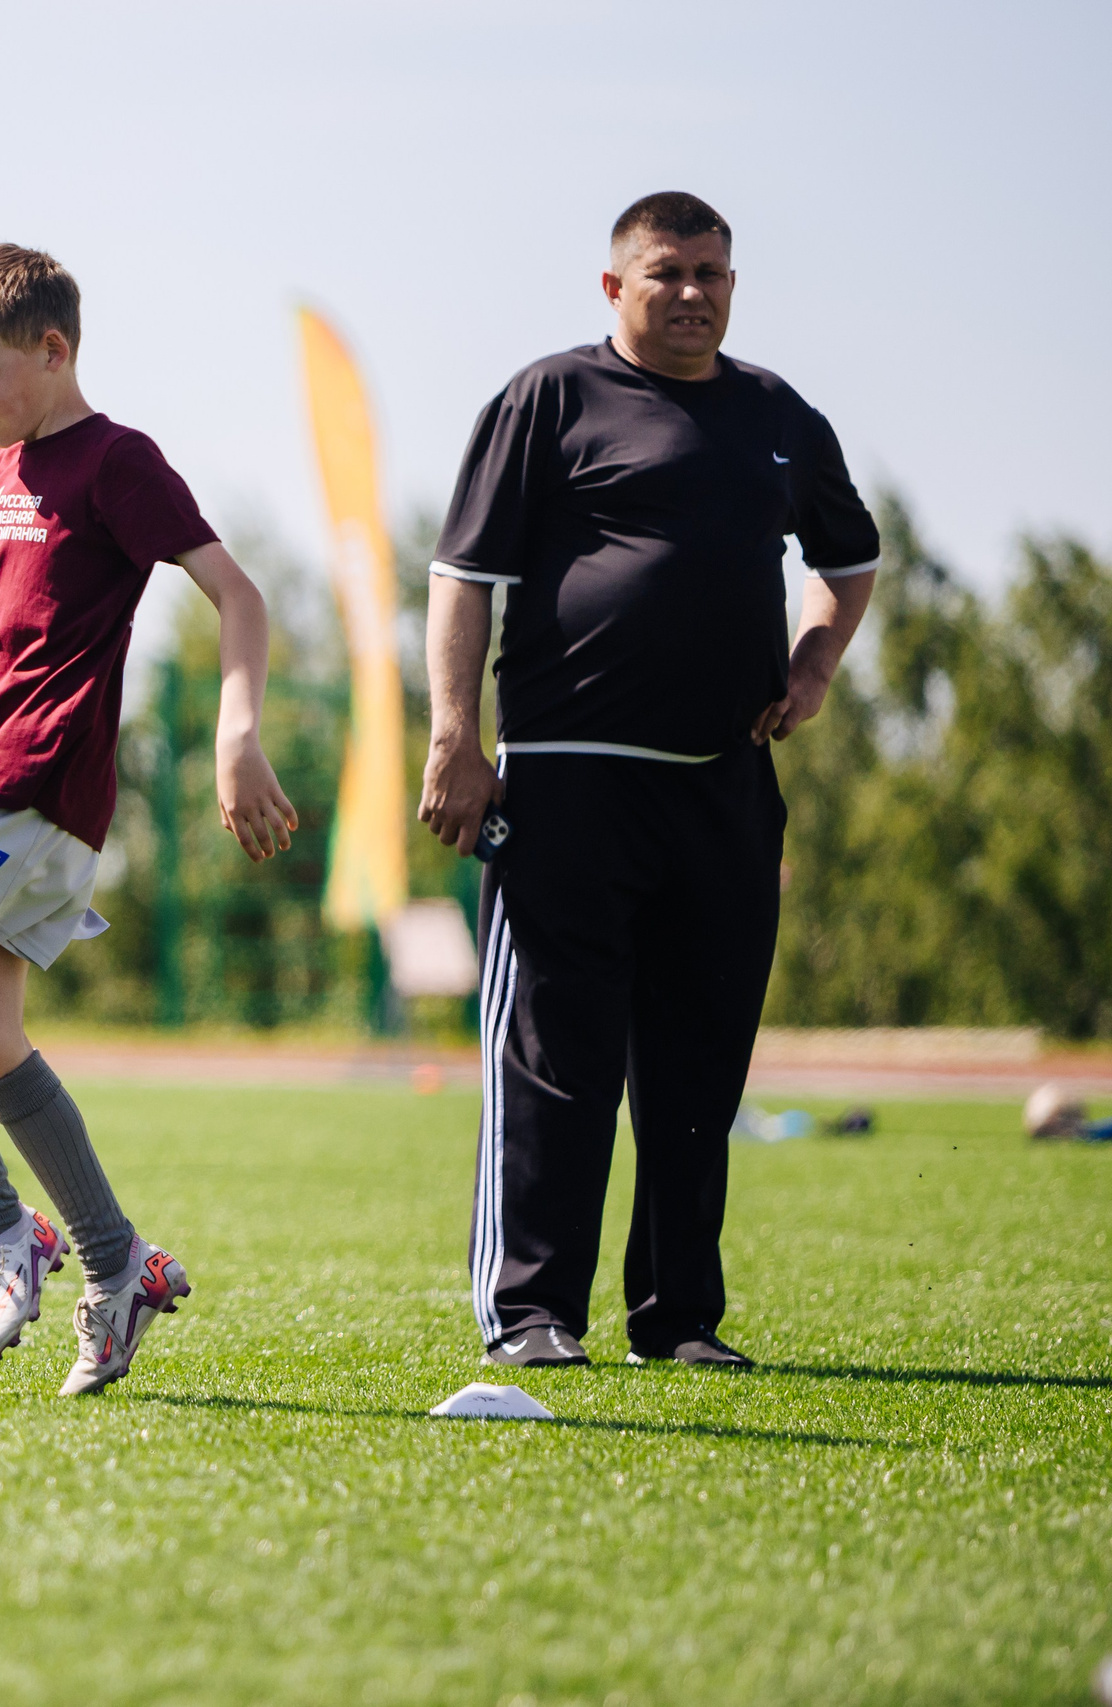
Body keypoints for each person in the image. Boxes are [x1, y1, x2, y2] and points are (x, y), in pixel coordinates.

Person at [0, 244, 298, 1396]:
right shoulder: (3, 474)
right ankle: (117, 1262)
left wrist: (237, 734)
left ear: (53, 349)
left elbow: (236, 591)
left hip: (31, 783)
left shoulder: (115, 463)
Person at [418, 192, 879, 1371]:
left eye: (711, 273)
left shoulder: (776, 415)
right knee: (557, 1062)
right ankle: (531, 1315)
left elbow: (849, 556)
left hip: (723, 787)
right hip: (568, 786)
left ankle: (676, 1320)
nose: (692, 293)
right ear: (615, 287)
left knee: (697, 1065)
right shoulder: (549, 399)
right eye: (666, 272)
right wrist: (453, 737)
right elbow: (463, 576)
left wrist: (814, 663)